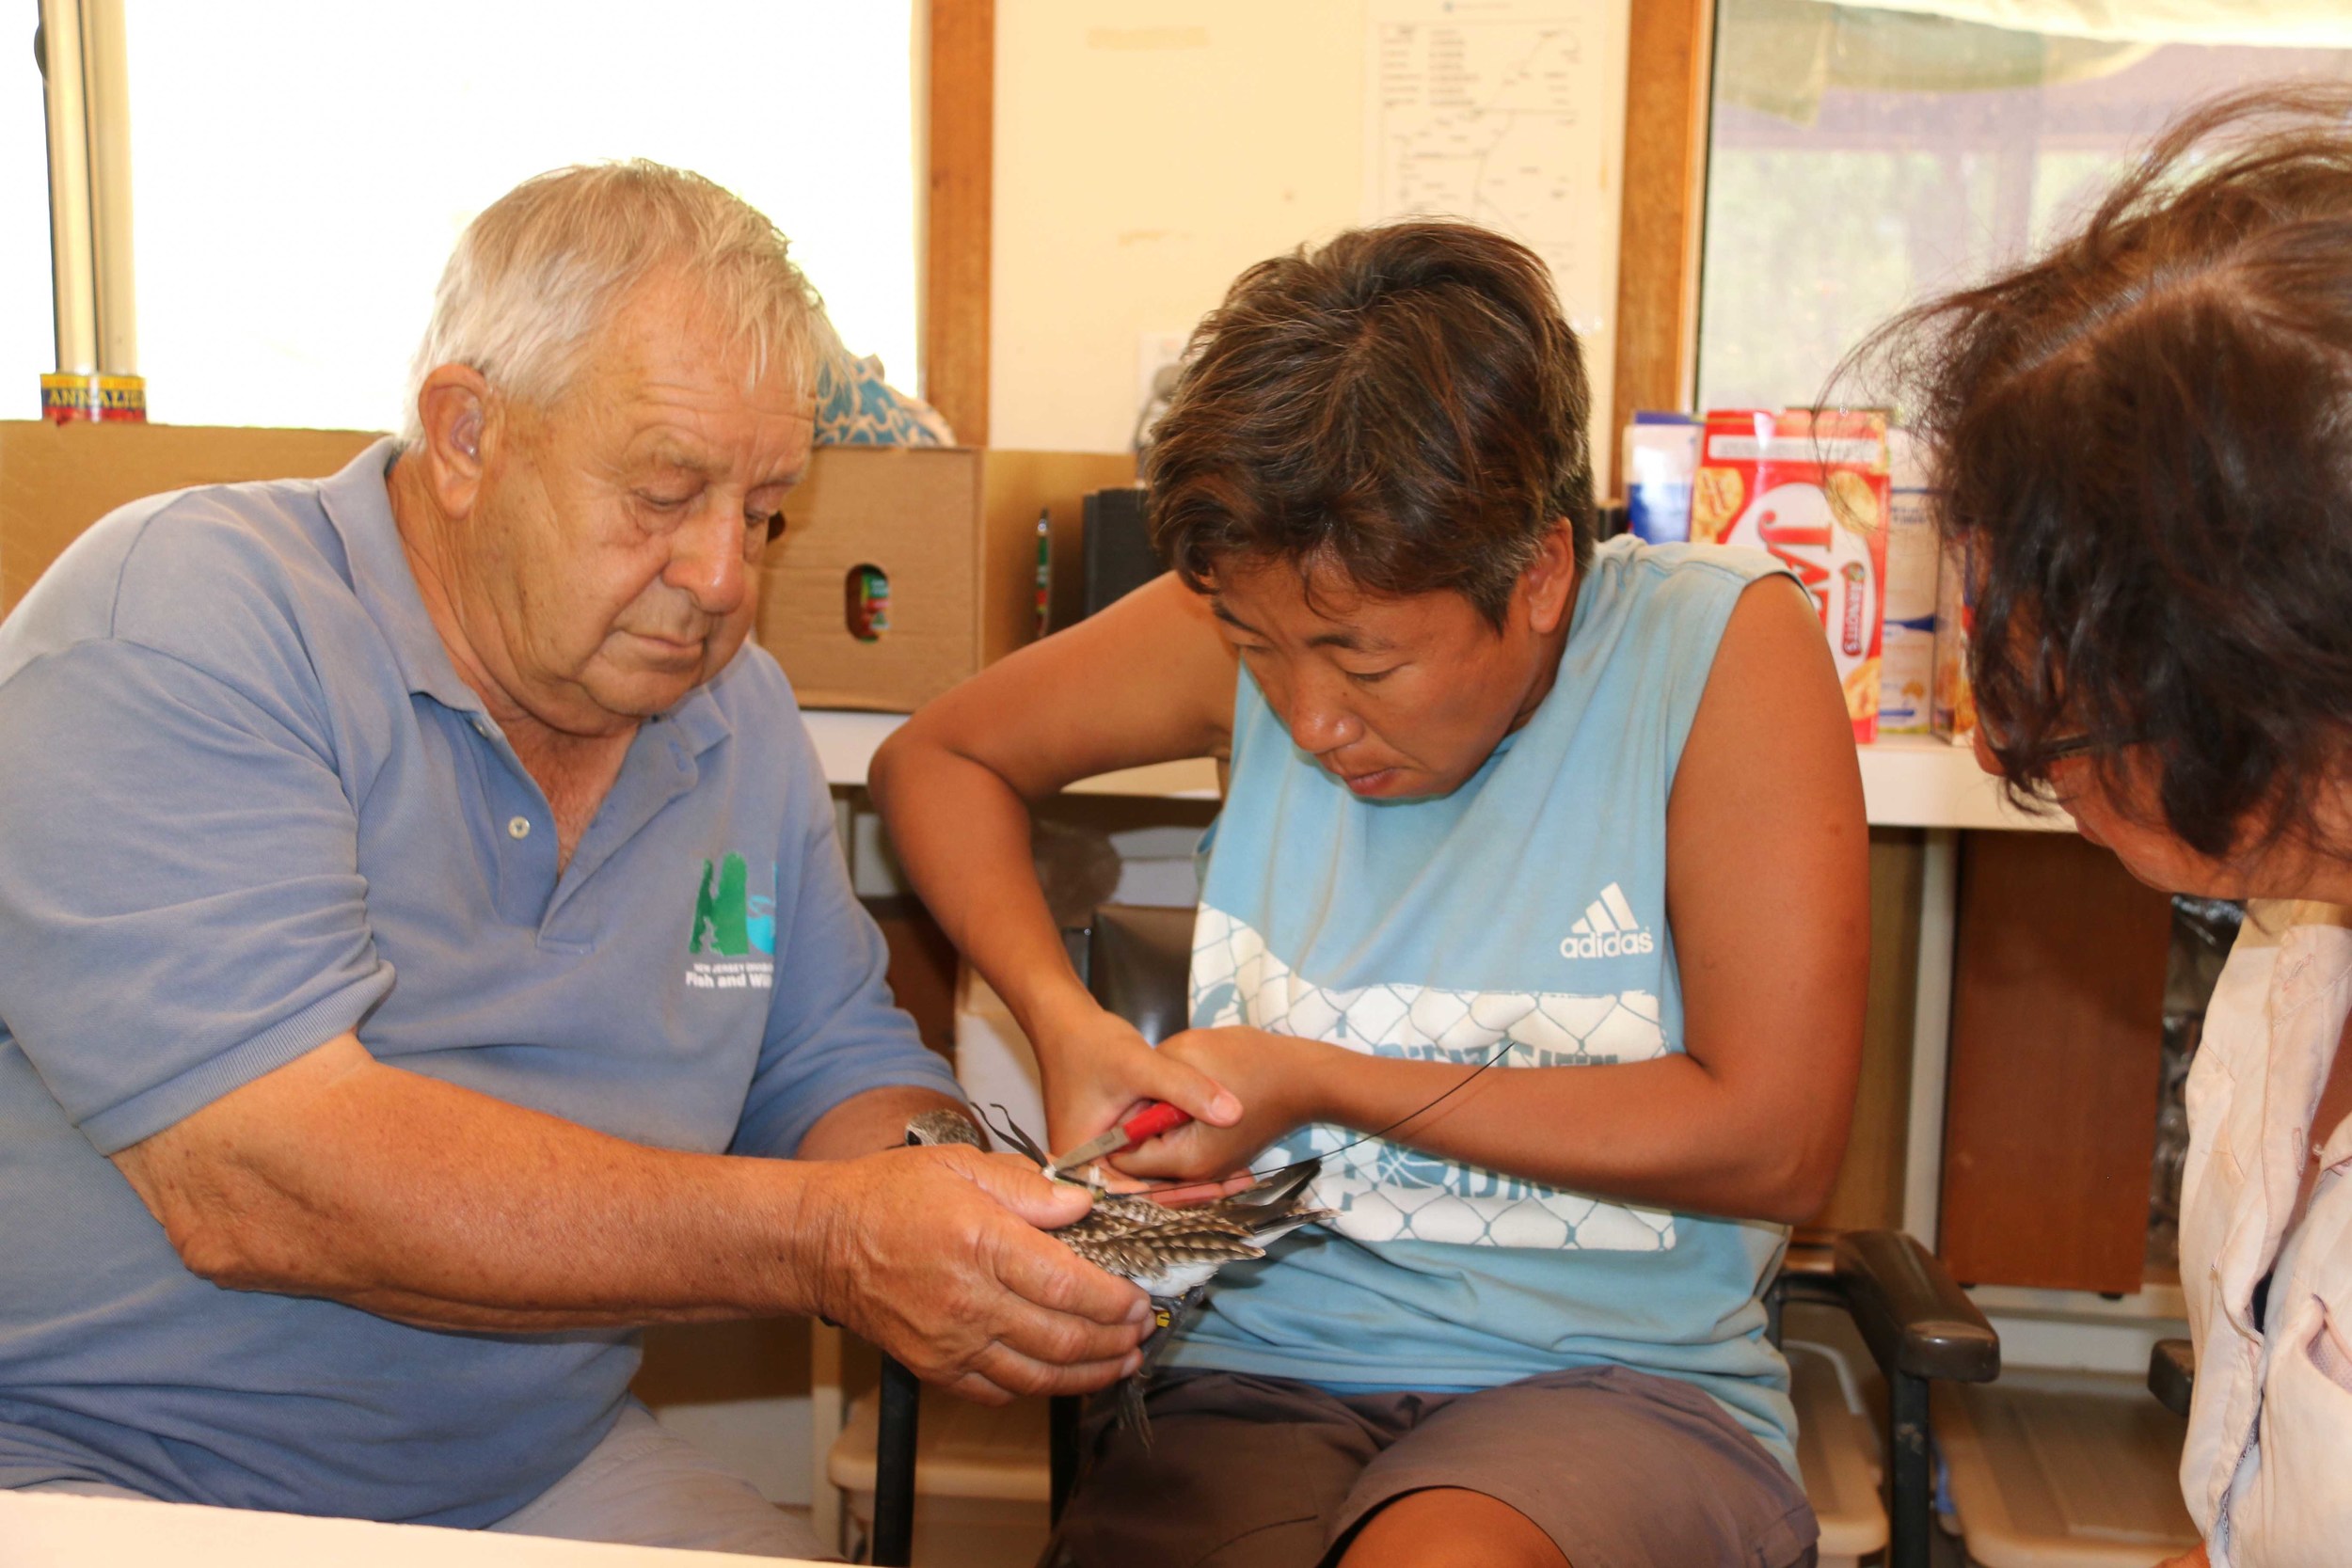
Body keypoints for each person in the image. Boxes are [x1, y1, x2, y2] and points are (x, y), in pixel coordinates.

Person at [0, 162, 1152, 1556]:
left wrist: (982, 1210)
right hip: (100, 1472)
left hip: (527, 1474)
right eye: (665, 494)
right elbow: (265, 1179)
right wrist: (829, 1243)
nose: (725, 575)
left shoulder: (739, 718)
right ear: (469, 433)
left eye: (767, 509)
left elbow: (827, 1068)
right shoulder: (189, 619)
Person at [871, 220, 1868, 1568]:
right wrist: (1062, 1021)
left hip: (1617, 1388)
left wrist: (1325, 1079)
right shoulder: (1283, 600)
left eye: (1365, 663)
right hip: (1260, 1378)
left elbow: (1775, 1139)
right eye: (1257, 653)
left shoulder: (1719, 651)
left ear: (1539, 576)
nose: (1309, 716)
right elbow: (938, 760)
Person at [1857, 84, 2352, 1568]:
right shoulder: (2292, 963)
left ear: (2253, 663)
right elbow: (2254, 1488)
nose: (1998, 705)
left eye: (2042, 644)